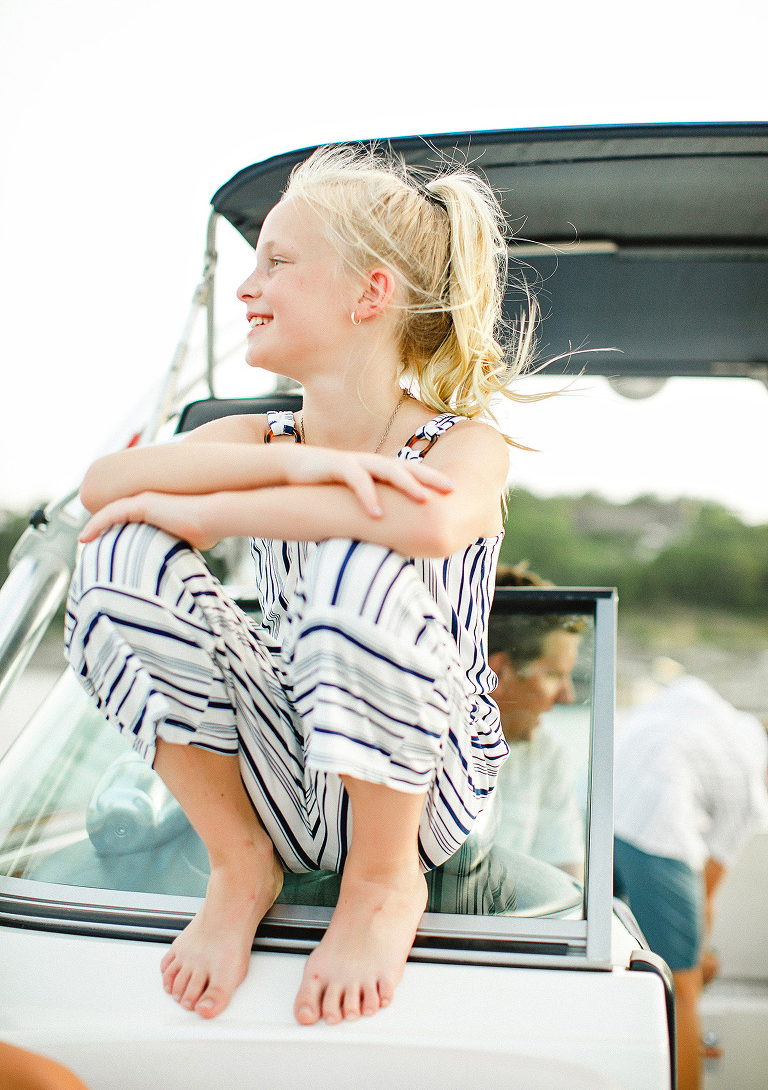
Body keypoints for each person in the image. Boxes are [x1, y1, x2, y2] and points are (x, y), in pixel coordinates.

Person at [64, 146, 535, 1028]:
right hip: (289, 761)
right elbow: (100, 488)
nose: (249, 285)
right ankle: (240, 864)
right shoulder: (266, 436)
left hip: (428, 781)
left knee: (361, 558)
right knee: (119, 549)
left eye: (277, 262)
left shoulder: (464, 444)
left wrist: (216, 502)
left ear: (370, 293)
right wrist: (300, 467)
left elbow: (427, 525)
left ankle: (383, 882)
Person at [613, 665, 768, 1090]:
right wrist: (701, 958)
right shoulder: (750, 791)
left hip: (606, 798)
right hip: (654, 825)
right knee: (682, 987)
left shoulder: (714, 712)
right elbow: (705, 895)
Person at [488, 564, 585, 878]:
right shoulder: (423, 744)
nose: (566, 696)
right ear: (498, 672)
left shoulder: (547, 753)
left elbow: (567, 876)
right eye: (555, 674)